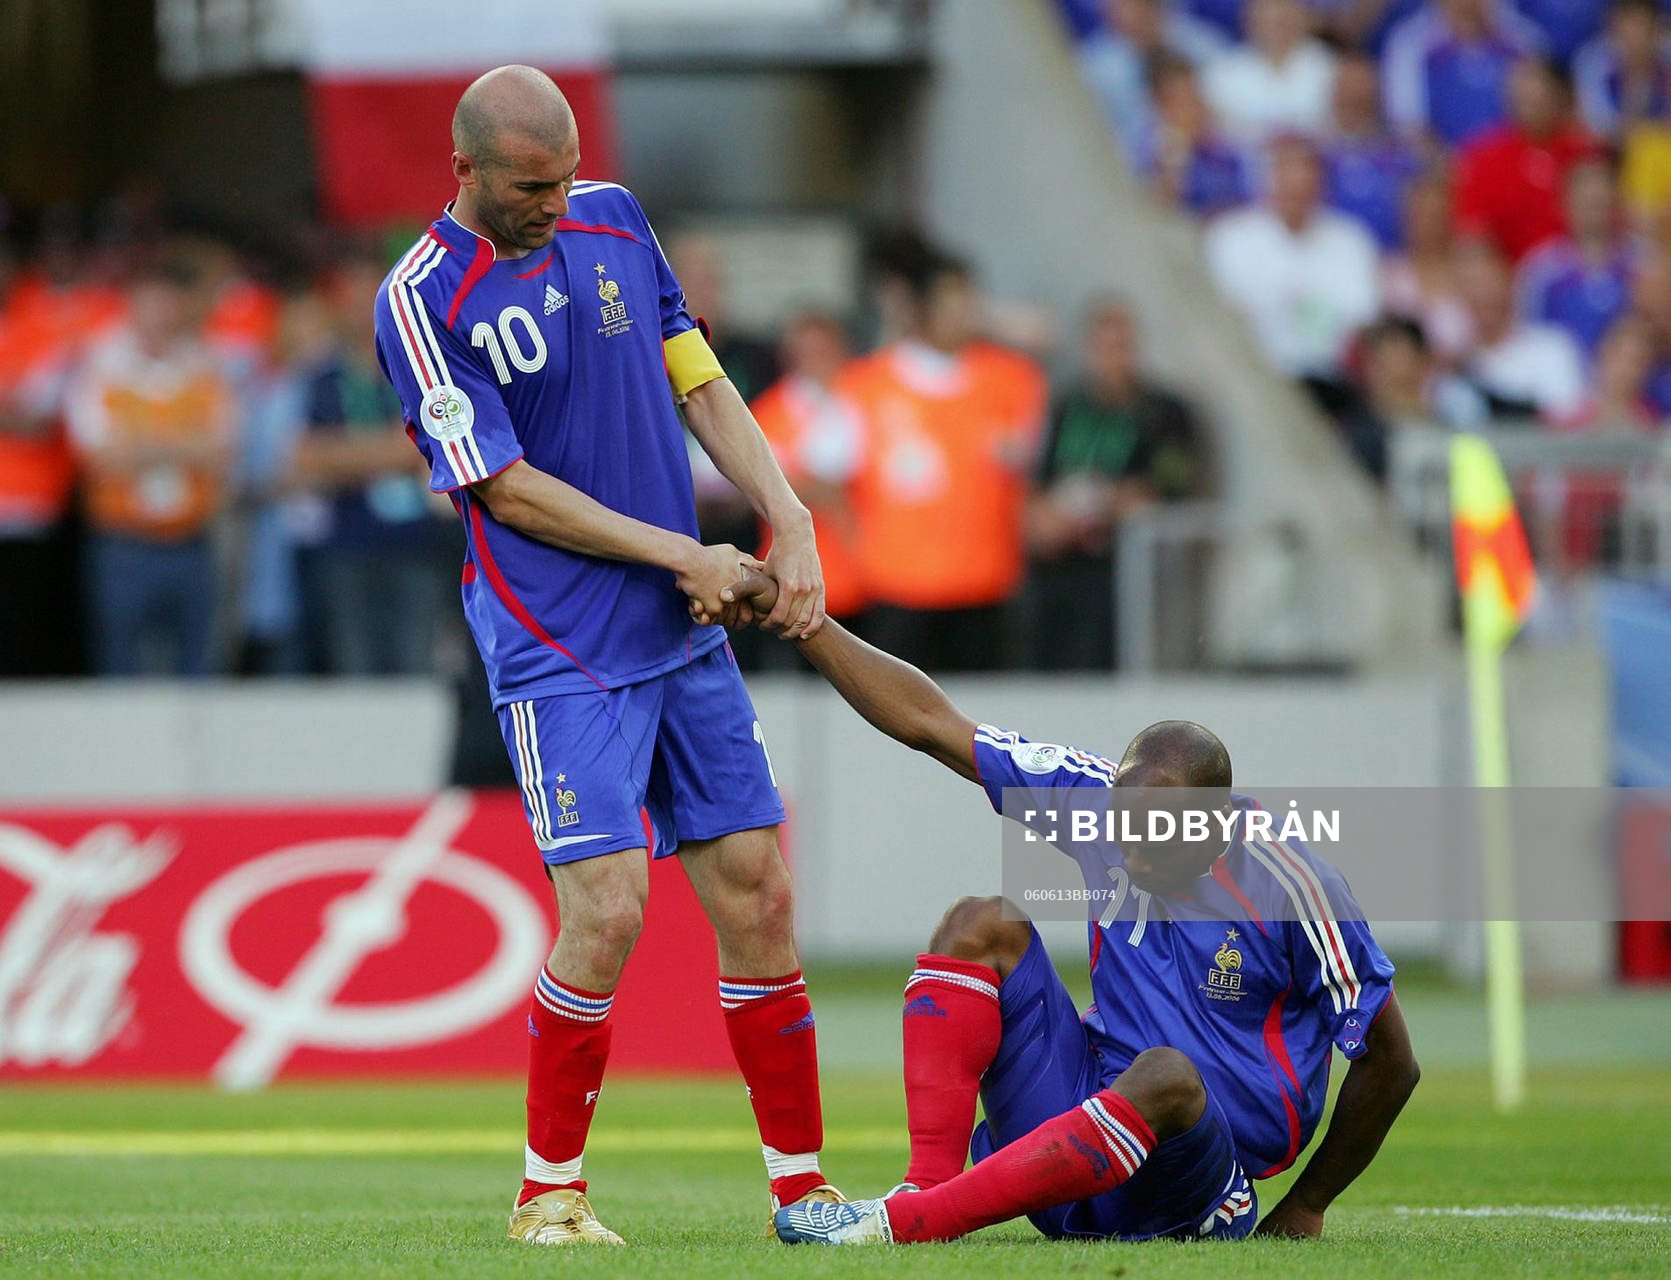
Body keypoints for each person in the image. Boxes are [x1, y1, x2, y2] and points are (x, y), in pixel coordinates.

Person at [370, 66, 834, 1247]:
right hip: (558, 641)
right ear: (464, 170)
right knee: (609, 906)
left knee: (761, 889)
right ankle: (549, 1194)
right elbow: (504, 487)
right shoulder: (420, 299)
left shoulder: (615, 219)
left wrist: (786, 512)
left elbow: (696, 375)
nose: (555, 202)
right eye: (532, 187)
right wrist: (685, 551)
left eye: (567, 178)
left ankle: (803, 1192)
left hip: (679, 630)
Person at [710, 576, 1419, 1247]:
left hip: (1192, 1183)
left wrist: (1307, 1203)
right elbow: (931, 723)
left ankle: (906, 1223)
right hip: (1073, 1136)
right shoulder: (1095, 802)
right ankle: (923, 1193)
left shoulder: (1294, 888)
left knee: (1167, 1075)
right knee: (980, 922)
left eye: (1151, 844)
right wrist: (802, 621)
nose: (1129, 858)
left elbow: (1391, 1062)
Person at [837, 249, 1046, 673]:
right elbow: (818, 473)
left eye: (969, 300)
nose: (964, 313)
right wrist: (857, 542)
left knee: (982, 709)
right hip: (896, 587)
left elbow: (1028, 466)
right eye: (951, 301)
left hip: (985, 586)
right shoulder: (865, 385)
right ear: (922, 307)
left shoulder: (1012, 379)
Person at [66, 254, 234, 677]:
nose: (160, 320)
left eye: (167, 309)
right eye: (151, 308)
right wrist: (183, 442)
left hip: (190, 539)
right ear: (132, 309)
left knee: (196, 668)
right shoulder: (100, 366)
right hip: (125, 542)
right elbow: (99, 458)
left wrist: (140, 441)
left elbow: (221, 451)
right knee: (121, 666)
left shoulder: (205, 366)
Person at [1024, 298, 1206, 670]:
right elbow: (1040, 483)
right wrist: (1045, 519)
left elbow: (1168, 487)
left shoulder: (1163, 412)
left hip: (1120, 574)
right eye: (1104, 347)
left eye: (1121, 347)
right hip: (1058, 570)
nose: (1113, 359)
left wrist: (1100, 503)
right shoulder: (1067, 405)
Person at [1203, 135, 1382, 398]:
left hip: (1332, 385)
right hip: (1252, 382)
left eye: (1306, 178)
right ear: (1268, 179)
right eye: (1287, 176)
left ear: (1321, 184)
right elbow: (1220, 316)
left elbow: (1364, 320)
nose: (1297, 188)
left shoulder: (1351, 240)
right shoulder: (1229, 238)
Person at [750, 310, 869, 637]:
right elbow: (767, 487)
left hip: (870, 578)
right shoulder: (768, 413)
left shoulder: (867, 398)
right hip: (794, 579)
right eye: (804, 352)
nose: (815, 361)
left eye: (823, 350)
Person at [1453, 57, 1601, 264]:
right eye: (1523, 101)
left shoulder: (1586, 154)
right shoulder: (1484, 157)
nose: (1530, 107)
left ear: (1560, 98)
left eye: (1539, 101)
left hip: (1577, 272)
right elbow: (1473, 235)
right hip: (1506, 274)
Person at [1517, 155, 1640, 360]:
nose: (1593, 210)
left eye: (1599, 201)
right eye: (1585, 201)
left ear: (1615, 202)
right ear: (1562, 204)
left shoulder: (1642, 264)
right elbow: (1528, 338)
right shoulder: (1541, 270)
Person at [1382, 0, 1546, 148]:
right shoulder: (1410, 44)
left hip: (1513, 157)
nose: (1467, 3)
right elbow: (1407, 122)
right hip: (1439, 162)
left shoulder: (1523, 40)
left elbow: (1542, 109)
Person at [1320, 49, 1429, 252]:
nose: (1354, 96)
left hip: (1394, 256)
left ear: (1378, 94)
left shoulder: (1403, 155)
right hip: (1328, 259)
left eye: (1361, 89)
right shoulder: (1315, 154)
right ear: (1334, 93)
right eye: (1347, 88)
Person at [1202, 0, 1338, 142]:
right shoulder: (1222, 73)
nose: (1275, 24)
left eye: (1283, 17)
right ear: (1249, 20)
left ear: (1303, 17)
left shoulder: (1330, 67)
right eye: (1267, 16)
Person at [1574, 0, 1671, 139]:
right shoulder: (1592, 63)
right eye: (1628, 31)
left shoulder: (1667, 58)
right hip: (1612, 146)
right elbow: (1596, 126)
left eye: (1644, 29)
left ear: (1658, 31)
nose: (1636, 40)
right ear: (1613, 29)